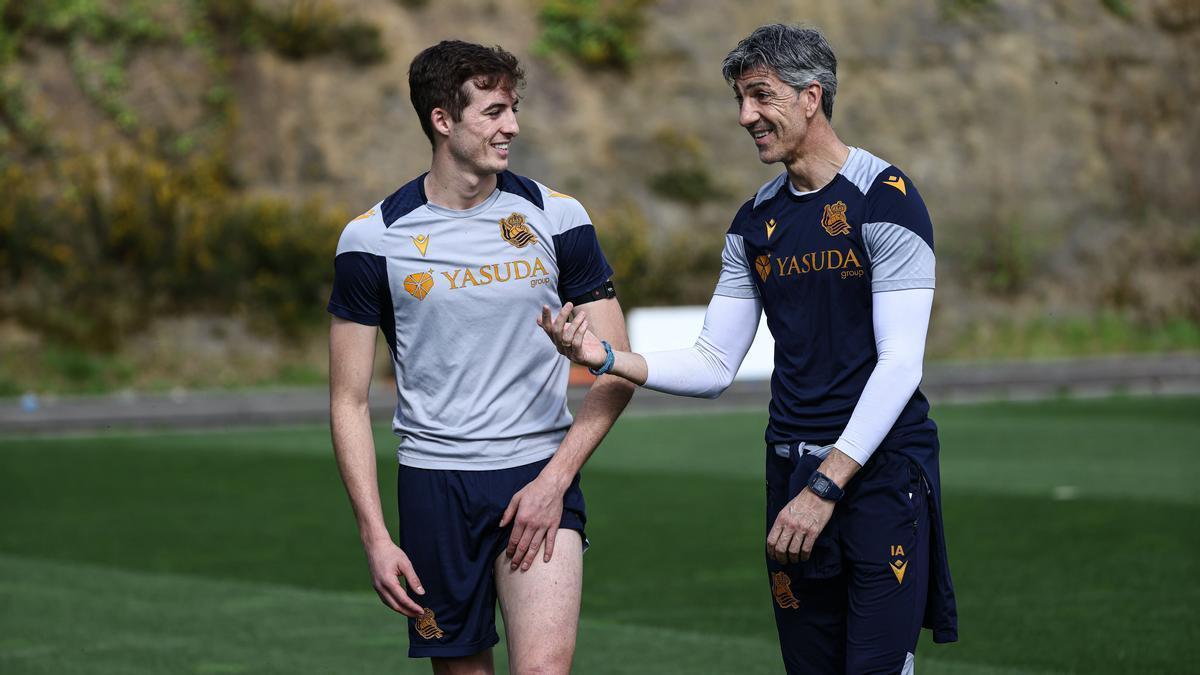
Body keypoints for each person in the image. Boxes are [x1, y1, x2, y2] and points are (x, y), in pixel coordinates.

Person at [539, 23, 957, 674]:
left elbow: (901, 362)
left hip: (876, 475)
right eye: (740, 99)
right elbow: (712, 362)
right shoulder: (753, 222)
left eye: (761, 96)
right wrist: (604, 357)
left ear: (811, 97)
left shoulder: (886, 199)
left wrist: (826, 484)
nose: (745, 116)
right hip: (790, 474)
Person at [328, 40, 633, 675]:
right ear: (443, 119)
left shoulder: (559, 217)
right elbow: (348, 400)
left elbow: (617, 366)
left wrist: (555, 482)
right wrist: (375, 537)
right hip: (434, 485)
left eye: (513, 108)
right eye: (494, 111)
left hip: (538, 472)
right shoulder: (371, 238)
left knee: (544, 668)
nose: (512, 126)